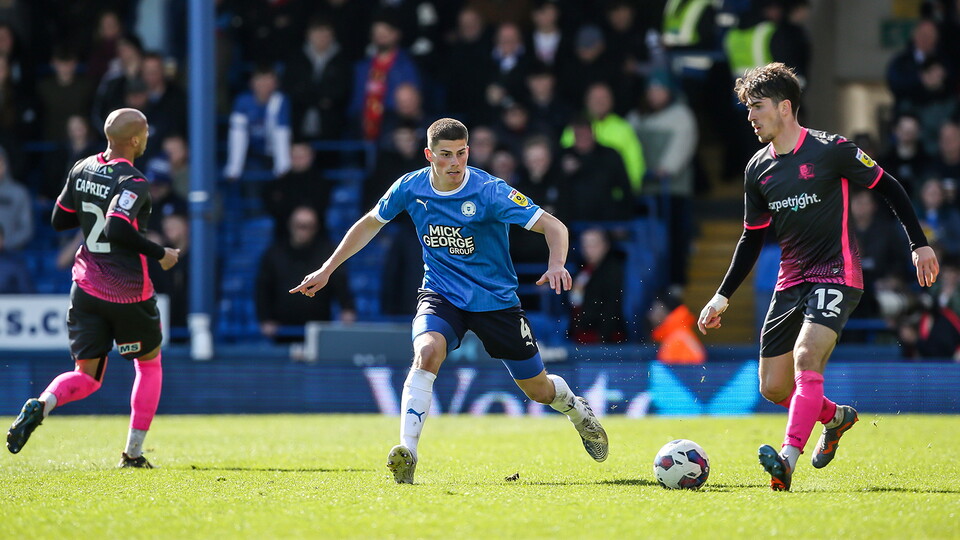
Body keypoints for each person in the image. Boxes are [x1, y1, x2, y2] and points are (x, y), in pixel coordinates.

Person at [290, 118, 608, 484]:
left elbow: (555, 227)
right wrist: (327, 269)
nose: (455, 163)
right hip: (441, 293)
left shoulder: (490, 191)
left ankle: (576, 409)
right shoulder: (409, 187)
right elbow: (369, 224)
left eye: (461, 153)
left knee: (538, 390)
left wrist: (556, 264)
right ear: (429, 155)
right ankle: (407, 451)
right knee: (426, 352)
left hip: (495, 301)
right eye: (445, 155)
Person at [697, 63, 939, 491]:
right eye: (747, 109)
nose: (750, 116)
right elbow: (751, 238)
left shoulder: (832, 150)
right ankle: (835, 417)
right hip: (790, 282)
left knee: (806, 357)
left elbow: (890, 187)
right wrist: (721, 296)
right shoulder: (757, 169)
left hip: (836, 273)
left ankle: (787, 460)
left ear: (785, 107)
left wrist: (918, 243)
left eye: (757, 107)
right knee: (773, 387)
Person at [5, 108, 180, 468]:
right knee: (148, 366)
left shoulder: (82, 168)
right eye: (145, 132)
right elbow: (117, 228)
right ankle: (132, 454)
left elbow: (58, 220)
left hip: (85, 285)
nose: (147, 137)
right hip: (129, 291)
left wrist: (90, 209)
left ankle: (42, 403)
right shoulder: (134, 182)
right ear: (134, 140)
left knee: (86, 375)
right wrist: (160, 253)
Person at [257, 206, 355, 342]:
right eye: (300, 225)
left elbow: (340, 283)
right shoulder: (274, 254)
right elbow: (262, 288)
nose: (304, 230)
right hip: (283, 330)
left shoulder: (327, 254)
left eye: (309, 226)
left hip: (318, 328)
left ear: (316, 228)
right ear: (290, 226)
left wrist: (347, 308)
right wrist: (265, 319)